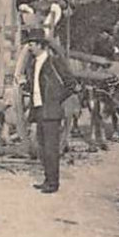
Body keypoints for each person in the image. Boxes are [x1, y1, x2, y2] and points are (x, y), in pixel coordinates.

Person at [26, 27, 77, 194]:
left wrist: (56, 99)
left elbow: (71, 84)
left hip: (51, 111)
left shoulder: (54, 61)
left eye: (32, 44)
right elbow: (34, 86)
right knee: (42, 147)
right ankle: (47, 180)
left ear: (41, 45)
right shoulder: (33, 64)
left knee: (51, 148)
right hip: (39, 111)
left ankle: (53, 183)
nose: (30, 47)